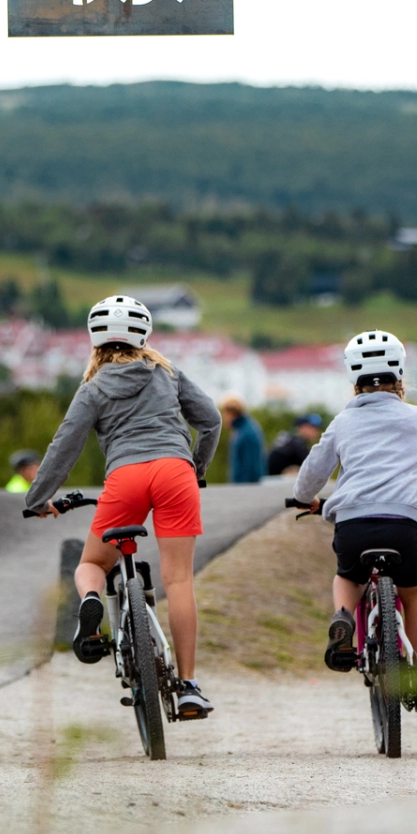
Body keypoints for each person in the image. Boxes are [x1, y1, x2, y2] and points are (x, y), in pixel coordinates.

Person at [27, 295, 222, 719]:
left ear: (95, 340)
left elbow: (65, 445)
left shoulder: (93, 389)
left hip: (126, 478)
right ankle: (188, 686)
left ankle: (92, 603)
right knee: (179, 580)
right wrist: (197, 468)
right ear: (144, 334)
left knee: (92, 563)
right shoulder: (167, 373)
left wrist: (38, 499)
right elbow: (211, 420)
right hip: (176, 472)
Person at [293, 330, 417, 711]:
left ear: (354, 379)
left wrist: (305, 499)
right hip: (407, 526)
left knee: (349, 576)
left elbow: (312, 472)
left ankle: (344, 619)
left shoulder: (342, 422)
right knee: (415, 595)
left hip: (354, 525)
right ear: (400, 375)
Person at [220, 396, 266, 484]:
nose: (224, 417)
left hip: (246, 488)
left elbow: (248, 466)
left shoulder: (246, 433)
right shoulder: (243, 429)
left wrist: (241, 490)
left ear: (231, 413)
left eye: (225, 413)